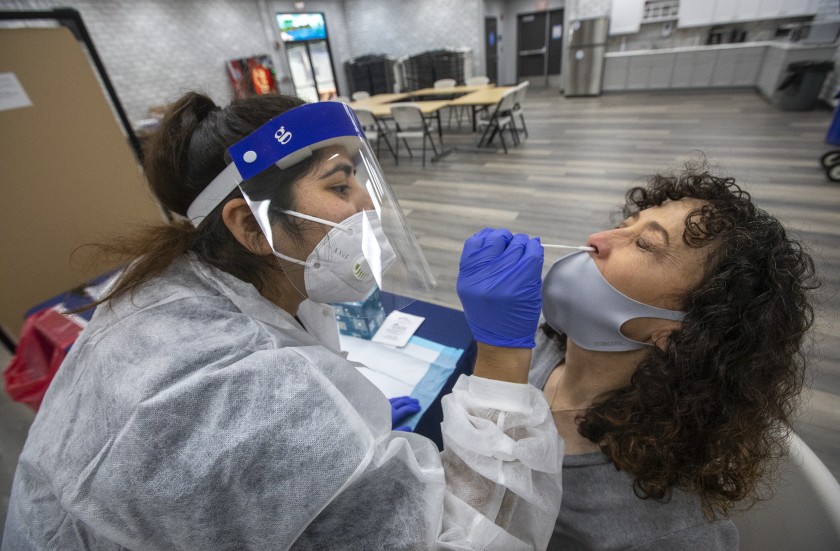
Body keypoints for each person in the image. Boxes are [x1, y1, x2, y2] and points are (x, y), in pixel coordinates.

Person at [2, 92, 564, 550]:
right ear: (250, 227)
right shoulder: (256, 397)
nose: (368, 204)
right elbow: (466, 539)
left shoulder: (174, 288)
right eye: (340, 185)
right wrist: (501, 357)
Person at [532, 166, 817, 550]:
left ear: (680, 331)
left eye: (645, 244)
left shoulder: (665, 531)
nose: (597, 238)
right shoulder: (545, 345)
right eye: (625, 224)